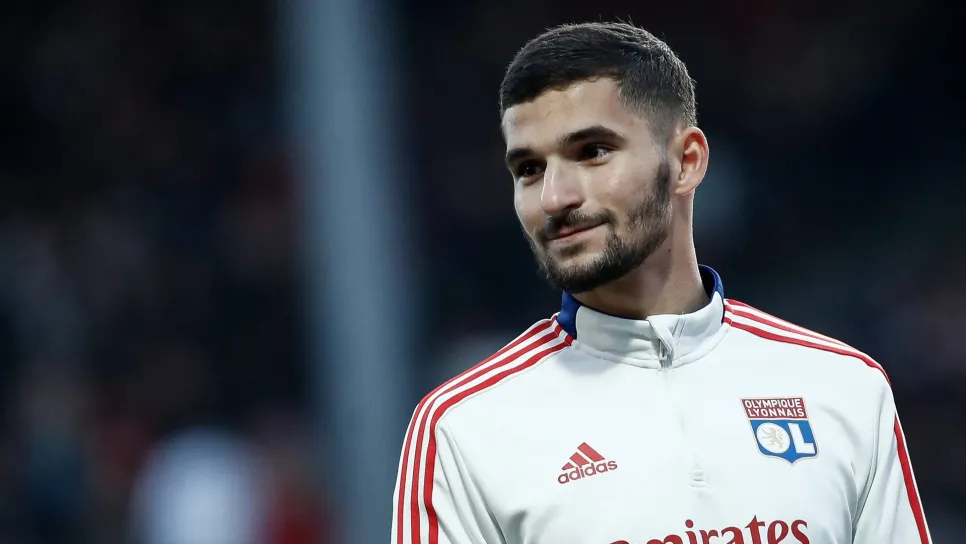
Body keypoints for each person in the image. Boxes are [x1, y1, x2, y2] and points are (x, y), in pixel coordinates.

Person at [392, 22, 931, 544]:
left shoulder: (843, 386)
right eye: (529, 169)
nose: (554, 198)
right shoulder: (464, 428)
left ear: (686, 162)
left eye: (592, 152)